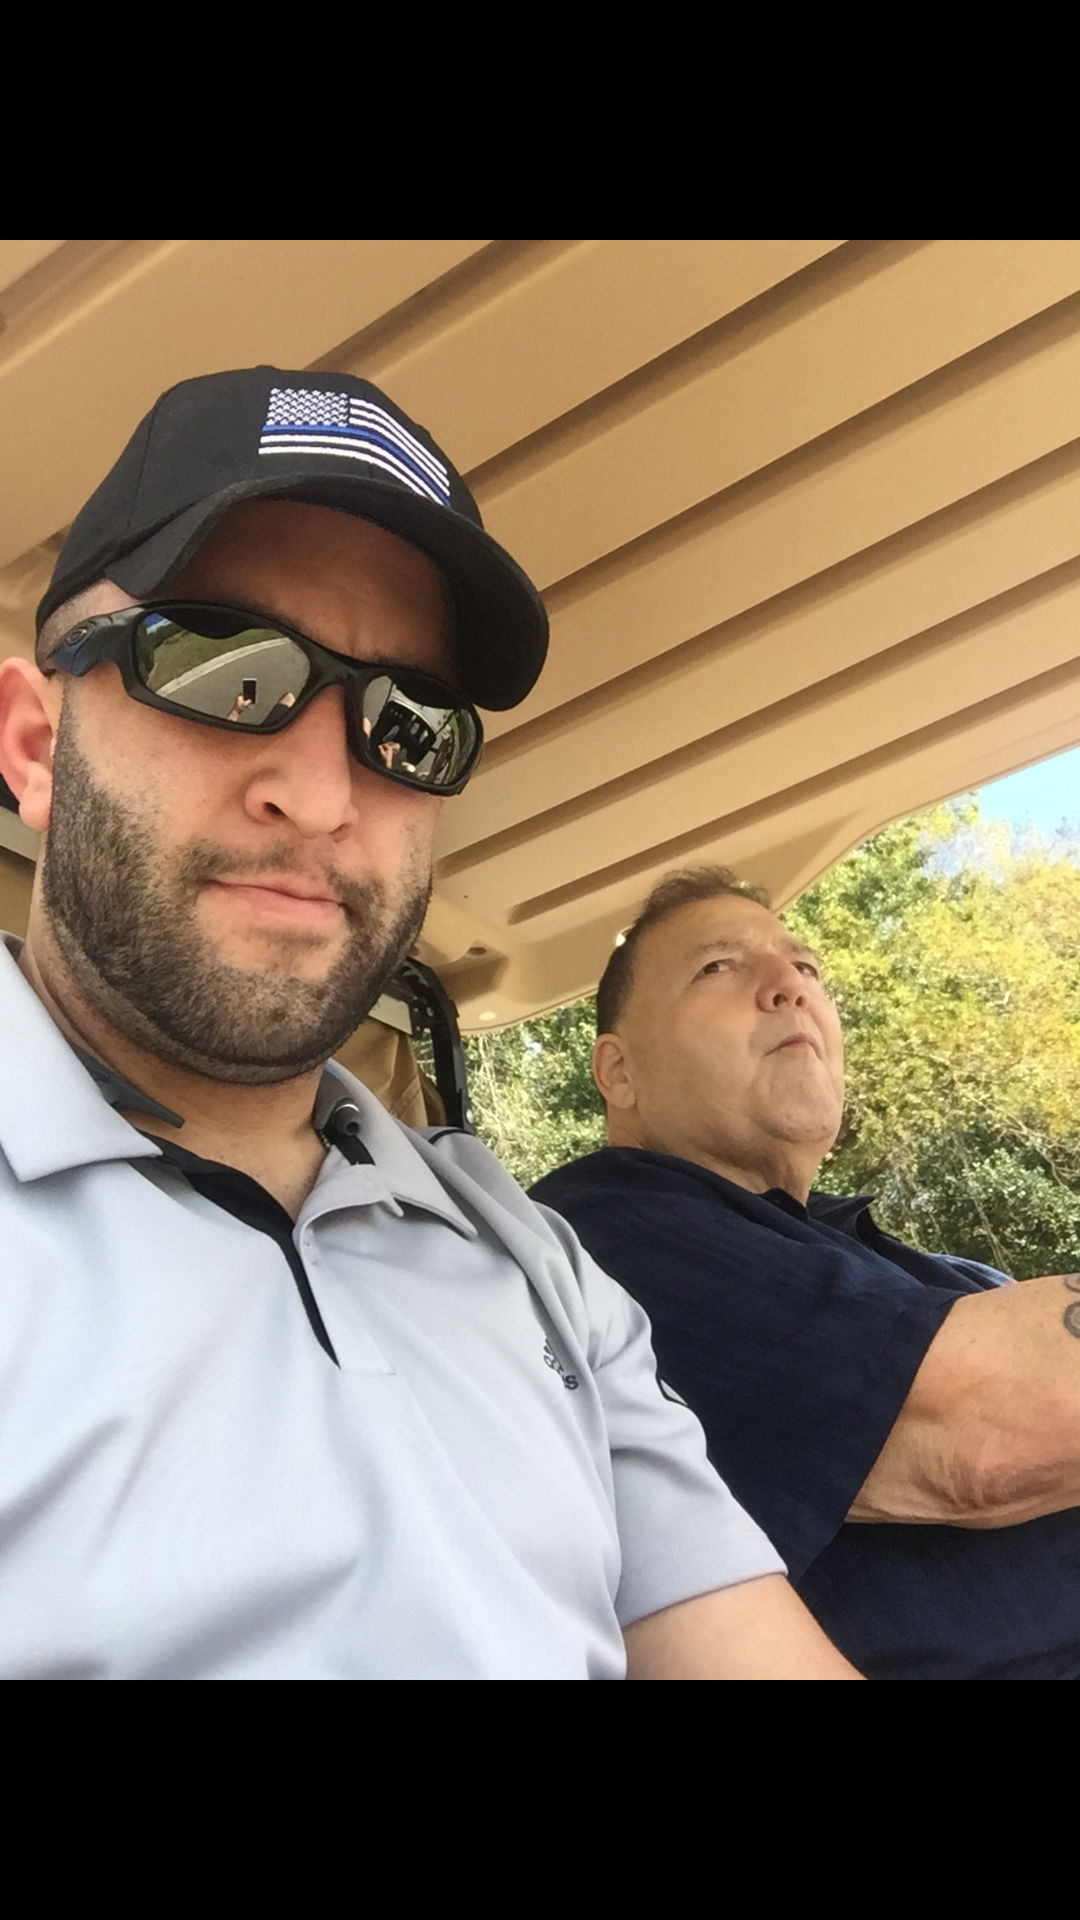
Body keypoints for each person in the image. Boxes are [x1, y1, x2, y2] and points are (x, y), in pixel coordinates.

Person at [0, 367, 858, 1680]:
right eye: (223, 667)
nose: (323, 793)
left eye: (407, 725)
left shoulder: (537, 1264)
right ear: (34, 743)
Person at [531, 866, 1080, 1681]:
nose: (790, 985)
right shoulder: (603, 1231)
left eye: (807, 967)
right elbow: (995, 1428)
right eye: (718, 967)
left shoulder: (898, 1256)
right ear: (618, 1072)